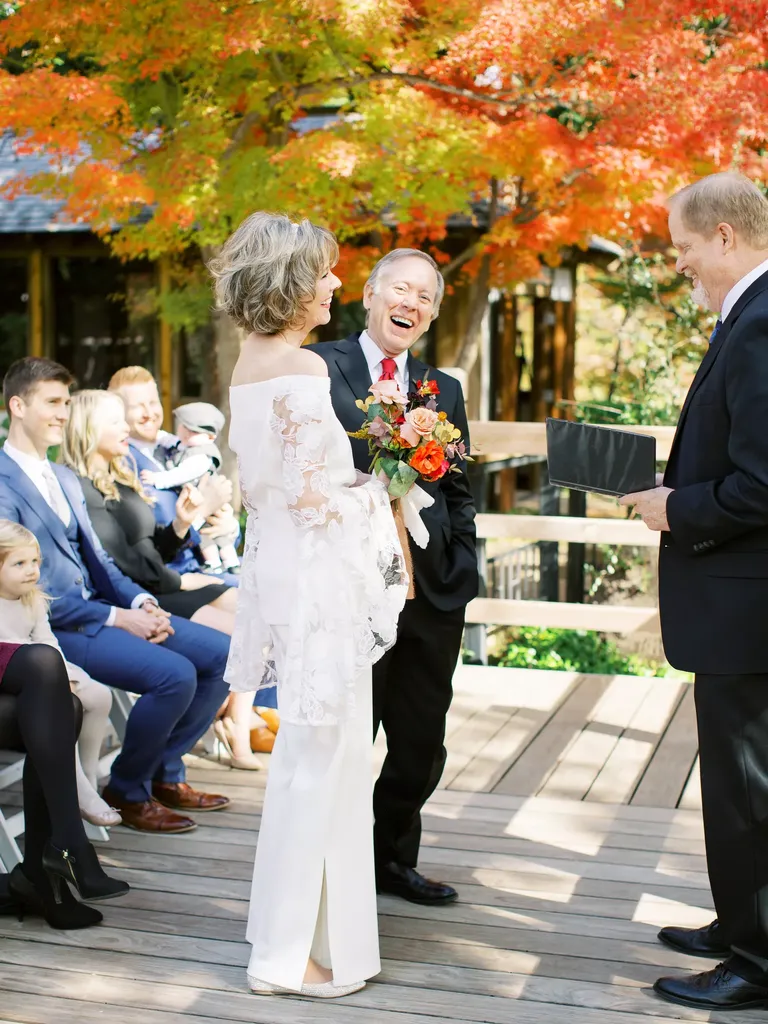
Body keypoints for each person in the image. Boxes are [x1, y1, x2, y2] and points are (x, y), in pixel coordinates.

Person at [209, 212, 408, 998]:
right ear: (291, 282)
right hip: (319, 582)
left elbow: (275, 492)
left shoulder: (250, 362)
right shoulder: (300, 370)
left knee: (309, 760)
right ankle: (288, 956)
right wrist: (384, 489)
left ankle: (295, 937)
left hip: (289, 576)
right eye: (324, 272)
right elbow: (315, 499)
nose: (334, 283)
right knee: (321, 764)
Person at [620, 171, 768, 1011]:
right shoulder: (746, 316)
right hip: (741, 603)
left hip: (749, 607)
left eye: (683, 251)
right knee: (739, 782)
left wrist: (675, 507)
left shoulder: (760, 322)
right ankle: (741, 921)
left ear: (723, 237)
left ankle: (756, 959)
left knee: (748, 788)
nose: (681, 267)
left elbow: (763, 483)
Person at [309, 248, 478, 906]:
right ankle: (335, 867)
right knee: (351, 736)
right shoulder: (320, 368)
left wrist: (464, 559)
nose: (410, 303)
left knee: (419, 744)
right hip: (351, 590)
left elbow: (459, 486)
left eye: (424, 297)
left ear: (433, 313)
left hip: (431, 592)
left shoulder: (444, 387)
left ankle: (391, 860)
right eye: (399, 290)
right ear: (371, 296)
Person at [0, 357, 232, 834]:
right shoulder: (2, 483)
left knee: (226, 654)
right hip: (52, 630)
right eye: (52, 402)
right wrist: (114, 618)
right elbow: (17, 586)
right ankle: (128, 789)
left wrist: (140, 604)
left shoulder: (62, 478)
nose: (63, 413)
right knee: (175, 676)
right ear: (17, 406)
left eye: (67, 402)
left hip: (102, 611)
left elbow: (101, 565)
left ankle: (161, 771)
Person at [59, 387, 261, 771]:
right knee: (229, 649)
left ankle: (167, 765)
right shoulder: (80, 487)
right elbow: (119, 566)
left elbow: (150, 550)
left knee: (253, 627)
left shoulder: (120, 475)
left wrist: (182, 525)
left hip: (153, 586)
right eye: (115, 419)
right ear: (88, 428)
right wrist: (177, 584)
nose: (126, 427)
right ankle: (158, 769)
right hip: (139, 595)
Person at [0, 546, 129, 926]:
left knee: (63, 703)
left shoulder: (29, 602)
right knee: (42, 664)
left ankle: (43, 877)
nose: (31, 570)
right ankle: (69, 847)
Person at [0, 519, 121, 826]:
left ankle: (88, 773)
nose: (31, 570)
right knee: (66, 707)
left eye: (35, 562)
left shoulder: (33, 600)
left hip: (43, 666)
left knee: (99, 695)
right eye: (19, 563)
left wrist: (63, 674)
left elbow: (47, 641)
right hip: (15, 677)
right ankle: (78, 787)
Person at [140, 402, 241, 574]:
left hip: (204, 501)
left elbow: (180, 474)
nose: (186, 434)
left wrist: (158, 479)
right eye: (184, 427)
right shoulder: (181, 445)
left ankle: (229, 562)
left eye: (193, 431)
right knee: (206, 535)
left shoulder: (201, 456)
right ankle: (215, 563)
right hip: (179, 552)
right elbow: (168, 439)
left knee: (219, 533)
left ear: (210, 437)